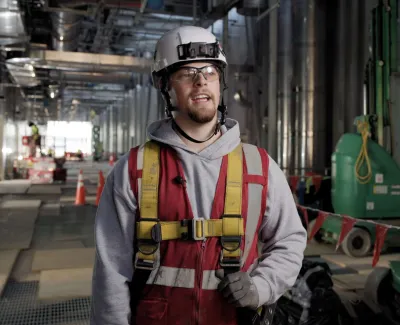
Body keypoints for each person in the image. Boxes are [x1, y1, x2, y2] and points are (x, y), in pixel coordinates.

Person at [90, 26, 307, 325]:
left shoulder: (259, 166)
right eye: (186, 73)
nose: (201, 80)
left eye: (210, 71)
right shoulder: (134, 170)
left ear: (221, 82)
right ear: (165, 85)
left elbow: (289, 241)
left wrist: (261, 286)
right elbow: (110, 272)